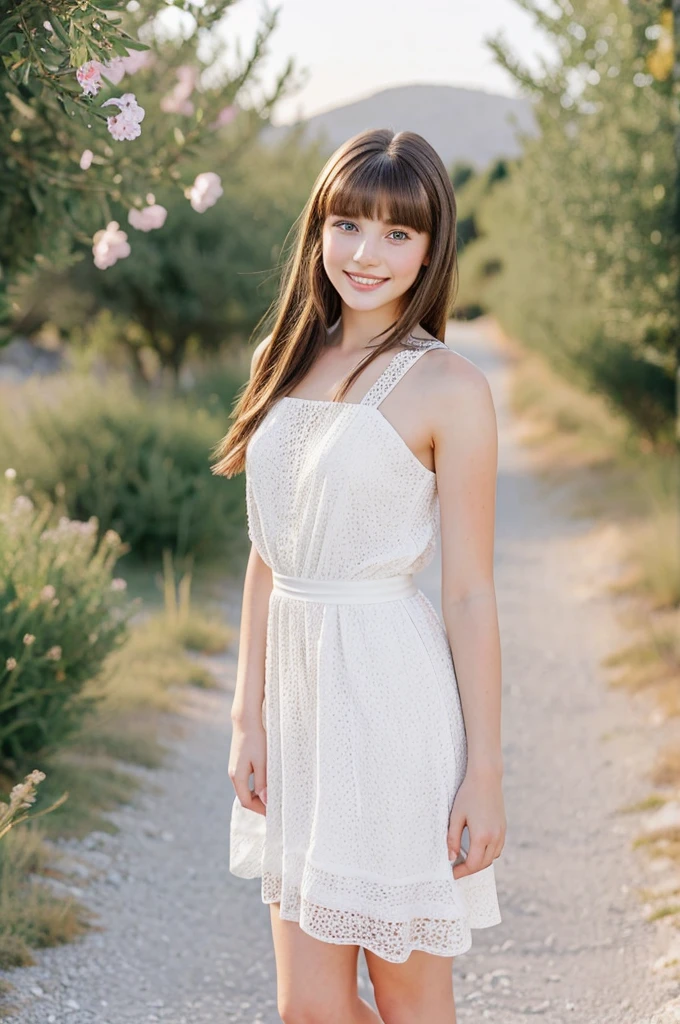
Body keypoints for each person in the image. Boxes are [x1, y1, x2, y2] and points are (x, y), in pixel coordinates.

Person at [212, 127, 506, 1024]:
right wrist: (245, 712)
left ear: (431, 248)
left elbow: (468, 592)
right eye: (347, 225)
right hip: (298, 708)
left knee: (409, 993)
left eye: (396, 234)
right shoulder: (279, 360)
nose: (365, 254)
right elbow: (273, 549)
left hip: (390, 699)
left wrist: (485, 772)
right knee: (307, 1007)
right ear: (319, 229)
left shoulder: (448, 385)